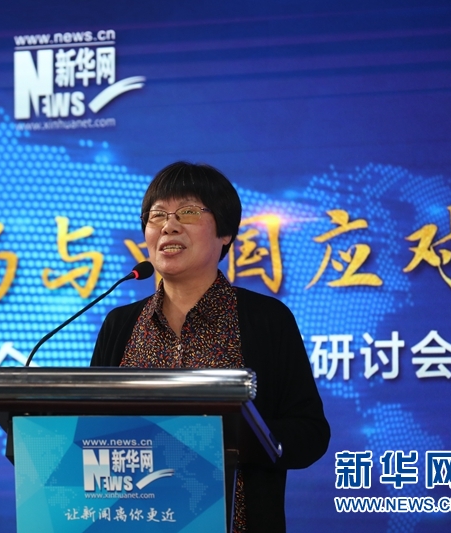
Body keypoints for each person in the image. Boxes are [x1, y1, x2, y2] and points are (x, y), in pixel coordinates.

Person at [91, 161, 330, 533]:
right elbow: (90, 428)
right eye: (157, 215)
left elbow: (310, 434)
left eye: (188, 212)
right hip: (135, 521)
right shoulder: (120, 325)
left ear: (226, 233)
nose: (169, 226)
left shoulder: (266, 319)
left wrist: (227, 440)